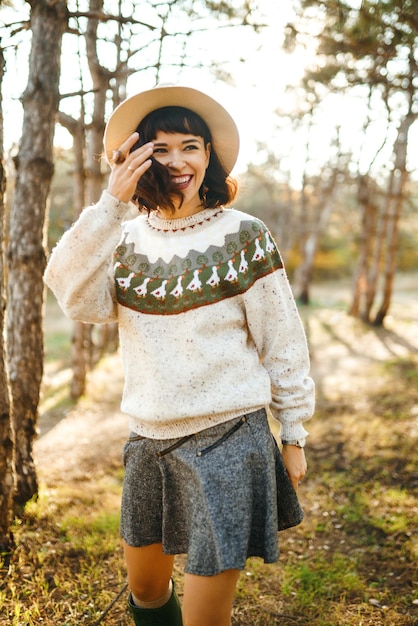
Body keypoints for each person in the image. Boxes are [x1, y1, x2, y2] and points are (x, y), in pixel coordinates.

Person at [44, 84, 315, 626]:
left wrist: (293, 432)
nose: (176, 162)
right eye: (159, 149)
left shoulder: (243, 235)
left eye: (190, 146)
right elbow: (72, 294)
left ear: (209, 156)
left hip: (231, 438)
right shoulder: (122, 239)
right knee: (146, 589)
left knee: (204, 618)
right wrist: (109, 204)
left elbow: (282, 341)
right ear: (135, 158)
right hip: (148, 439)